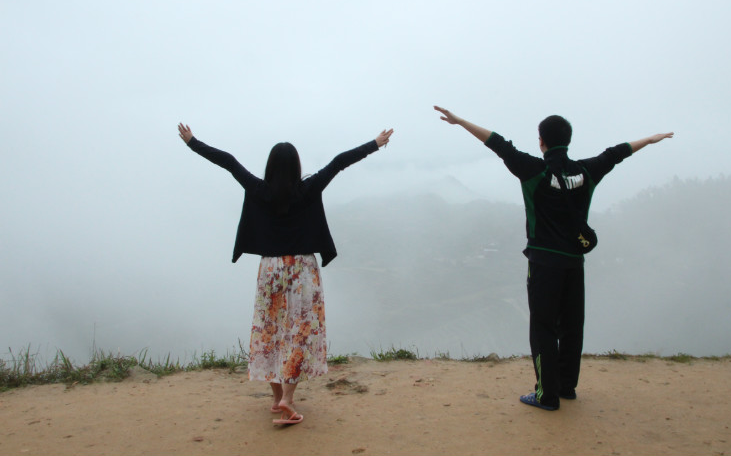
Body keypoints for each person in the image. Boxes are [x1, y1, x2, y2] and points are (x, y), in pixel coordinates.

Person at [433, 106, 672, 411]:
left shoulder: (534, 170)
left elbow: (498, 144)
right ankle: (567, 386)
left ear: (541, 141)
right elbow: (615, 153)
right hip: (574, 263)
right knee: (572, 326)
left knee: (543, 328)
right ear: (567, 141)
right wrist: (650, 139)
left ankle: (547, 395)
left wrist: (461, 121)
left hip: (544, 264)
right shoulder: (586, 171)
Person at [178, 122, 393, 425]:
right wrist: (375, 143)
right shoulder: (308, 188)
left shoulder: (258, 189)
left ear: (270, 166)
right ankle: (287, 400)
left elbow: (227, 161)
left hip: (270, 269)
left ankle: (276, 397)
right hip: (302, 270)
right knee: (299, 332)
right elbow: (339, 163)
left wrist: (192, 142)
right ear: (296, 167)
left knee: (270, 331)